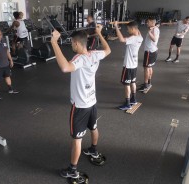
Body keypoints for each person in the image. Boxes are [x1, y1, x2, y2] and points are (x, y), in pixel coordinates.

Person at [50, 25, 111, 179]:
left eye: (71, 43)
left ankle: (72, 169)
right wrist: (99, 33)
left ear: (77, 43)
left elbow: (65, 68)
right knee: (93, 127)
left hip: (80, 106)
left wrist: (54, 43)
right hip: (92, 101)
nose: (71, 45)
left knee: (77, 140)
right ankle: (93, 150)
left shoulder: (79, 59)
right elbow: (108, 50)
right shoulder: (95, 54)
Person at [114, 21, 143, 110]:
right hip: (134, 65)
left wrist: (116, 27)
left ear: (133, 29)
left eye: (128, 29)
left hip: (128, 65)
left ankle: (127, 104)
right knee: (132, 82)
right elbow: (137, 31)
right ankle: (133, 99)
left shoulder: (133, 38)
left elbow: (122, 39)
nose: (127, 31)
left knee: (127, 84)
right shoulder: (140, 37)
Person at [138, 18, 160, 92]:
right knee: (149, 67)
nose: (146, 23)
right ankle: (148, 83)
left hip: (149, 52)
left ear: (151, 22)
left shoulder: (154, 29)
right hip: (152, 51)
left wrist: (149, 31)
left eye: (148, 22)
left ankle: (145, 85)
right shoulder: (155, 28)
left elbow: (154, 39)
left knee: (146, 68)